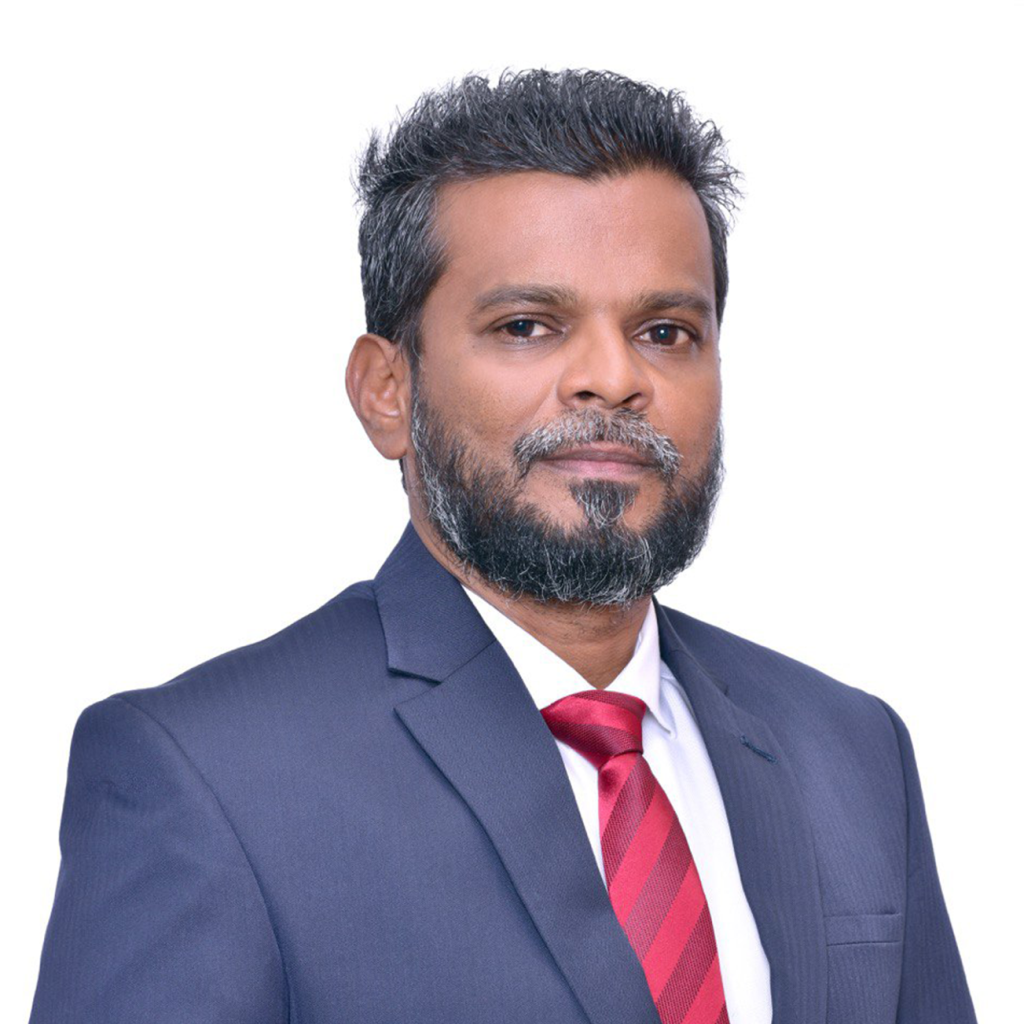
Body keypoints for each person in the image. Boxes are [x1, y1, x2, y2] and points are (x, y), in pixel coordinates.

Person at [29, 69, 976, 1024]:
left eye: (665, 331)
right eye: (526, 327)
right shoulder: (204, 775)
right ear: (387, 392)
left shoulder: (850, 752)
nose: (612, 377)